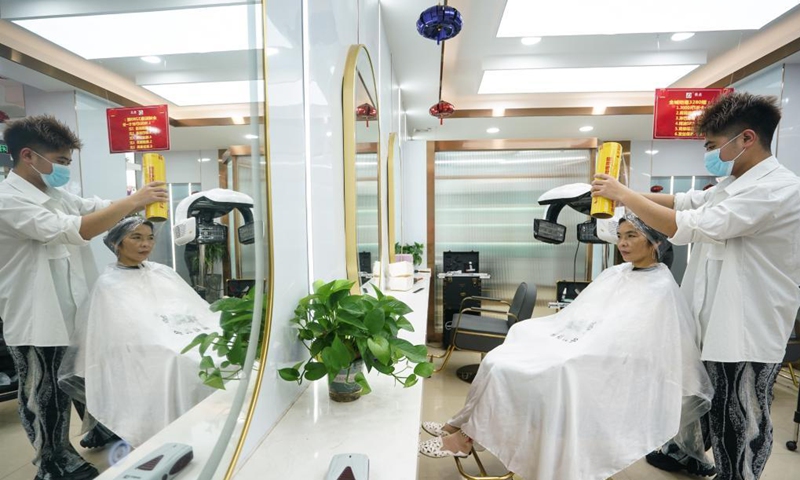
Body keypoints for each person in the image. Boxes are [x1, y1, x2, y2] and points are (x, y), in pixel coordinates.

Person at [591, 92, 800, 480]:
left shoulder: (778, 189)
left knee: (740, 416)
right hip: (712, 317)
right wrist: (625, 191)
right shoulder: (732, 183)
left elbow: (692, 227)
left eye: (712, 146)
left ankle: (738, 476)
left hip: (747, 326)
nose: (709, 153)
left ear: (747, 139)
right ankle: (685, 454)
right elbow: (688, 203)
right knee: (703, 397)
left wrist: (624, 196)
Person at [418, 215, 714, 480]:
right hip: (582, 342)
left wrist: (582, 345)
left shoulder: (660, 288)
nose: (622, 243)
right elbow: (583, 314)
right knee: (504, 353)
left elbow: (634, 341)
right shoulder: (617, 273)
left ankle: (466, 437)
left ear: (656, 243)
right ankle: (464, 424)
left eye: (631, 236)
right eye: (620, 236)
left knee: (528, 369)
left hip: (602, 363)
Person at [0, 115, 167, 480]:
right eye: (59, 162)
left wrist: (137, 204)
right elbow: (76, 230)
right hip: (36, 314)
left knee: (83, 373)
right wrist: (134, 200)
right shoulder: (7, 200)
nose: (63, 170)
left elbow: (91, 208)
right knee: (44, 394)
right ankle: (52, 462)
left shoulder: (54, 194)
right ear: (28, 155)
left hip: (73, 308)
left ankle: (100, 427)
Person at [60, 217, 218, 447]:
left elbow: (191, 308)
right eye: (136, 238)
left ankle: (213, 421)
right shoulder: (109, 284)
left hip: (179, 333)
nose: (146, 244)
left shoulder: (163, 272)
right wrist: (164, 339)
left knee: (214, 348)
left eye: (150, 238)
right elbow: (124, 330)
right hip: (145, 347)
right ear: (116, 244)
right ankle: (172, 431)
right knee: (177, 358)